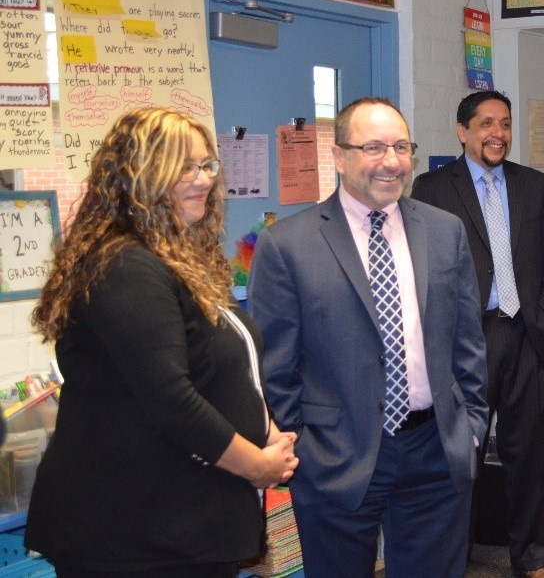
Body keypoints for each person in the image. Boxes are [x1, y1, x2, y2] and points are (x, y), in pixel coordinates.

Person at [24, 107, 298, 577]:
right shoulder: (126, 266)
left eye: (206, 165)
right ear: (138, 177)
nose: (201, 180)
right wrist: (256, 464)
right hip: (135, 532)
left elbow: (225, 367)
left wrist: (266, 429)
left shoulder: (181, 260)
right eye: (182, 168)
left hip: (186, 519)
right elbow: (170, 399)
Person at [248, 97, 487, 578]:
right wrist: (309, 447)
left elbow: (468, 342)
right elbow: (274, 365)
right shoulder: (287, 245)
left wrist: (472, 428)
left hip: (436, 449)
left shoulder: (444, 232)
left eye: (401, 147)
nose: (391, 161)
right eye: (373, 147)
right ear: (339, 156)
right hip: (336, 455)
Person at [411, 90, 544, 578]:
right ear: (463, 131)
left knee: (528, 452)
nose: (497, 133)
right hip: (467, 339)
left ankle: (532, 559)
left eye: (503, 124)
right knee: (462, 454)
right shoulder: (432, 188)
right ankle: (453, 558)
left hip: (527, 335)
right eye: (485, 124)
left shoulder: (534, 185)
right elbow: (423, 269)